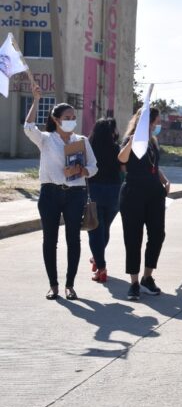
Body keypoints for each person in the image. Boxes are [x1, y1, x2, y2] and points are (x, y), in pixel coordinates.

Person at [23, 83, 97, 300]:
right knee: (50, 240)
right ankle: (53, 285)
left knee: (73, 239)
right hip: (50, 194)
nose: (72, 120)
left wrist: (83, 169)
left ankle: (70, 285)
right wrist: (36, 100)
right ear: (56, 120)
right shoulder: (46, 139)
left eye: (74, 116)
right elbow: (28, 127)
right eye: (67, 116)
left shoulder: (81, 141)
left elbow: (94, 167)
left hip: (75, 194)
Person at [118, 107, 171, 301]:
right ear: (146, 123)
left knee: (157, 234)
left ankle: (147, 277)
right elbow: (121, 160)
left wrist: (164, 179)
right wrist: (132, 142)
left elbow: (153, 166)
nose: (157, 126)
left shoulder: (152, 141)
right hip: (133, 193)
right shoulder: (131, 140)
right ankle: (133, 283)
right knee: (134, 237)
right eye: (155, 122)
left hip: (154, 193)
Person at [87, 117, 122, 283]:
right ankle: (97, 260)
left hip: (93, 191)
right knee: (104, 229)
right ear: (112, 132)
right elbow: (123, 168)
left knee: (95, 230)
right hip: (114, 192)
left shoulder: (89, 147)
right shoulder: (117, 149)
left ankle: (101, 267)